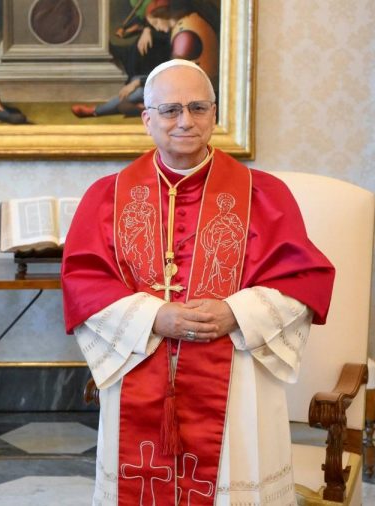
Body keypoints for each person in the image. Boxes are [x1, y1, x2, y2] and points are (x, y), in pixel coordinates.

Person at [61, 60, 335, 505]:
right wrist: (154, 316)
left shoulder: (265, 194)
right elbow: (83, 283)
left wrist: (235, 312)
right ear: (147, 119)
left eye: (197, 107)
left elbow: (305, 280)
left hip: (237, 379)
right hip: (142, 368)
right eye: (170, 110)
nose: (185, 121)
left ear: (214, 114)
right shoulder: (107, 197)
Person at [72, 0, 219, 119]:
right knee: (135, 85)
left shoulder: (184, 36)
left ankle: (96, 111)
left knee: (137, 91)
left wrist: (138, 83)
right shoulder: (186, 21)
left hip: (192, 92)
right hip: (185, 83)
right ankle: (141, 108)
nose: (157, 28)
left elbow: (172, 75)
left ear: (164, 15)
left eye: (155, 23)